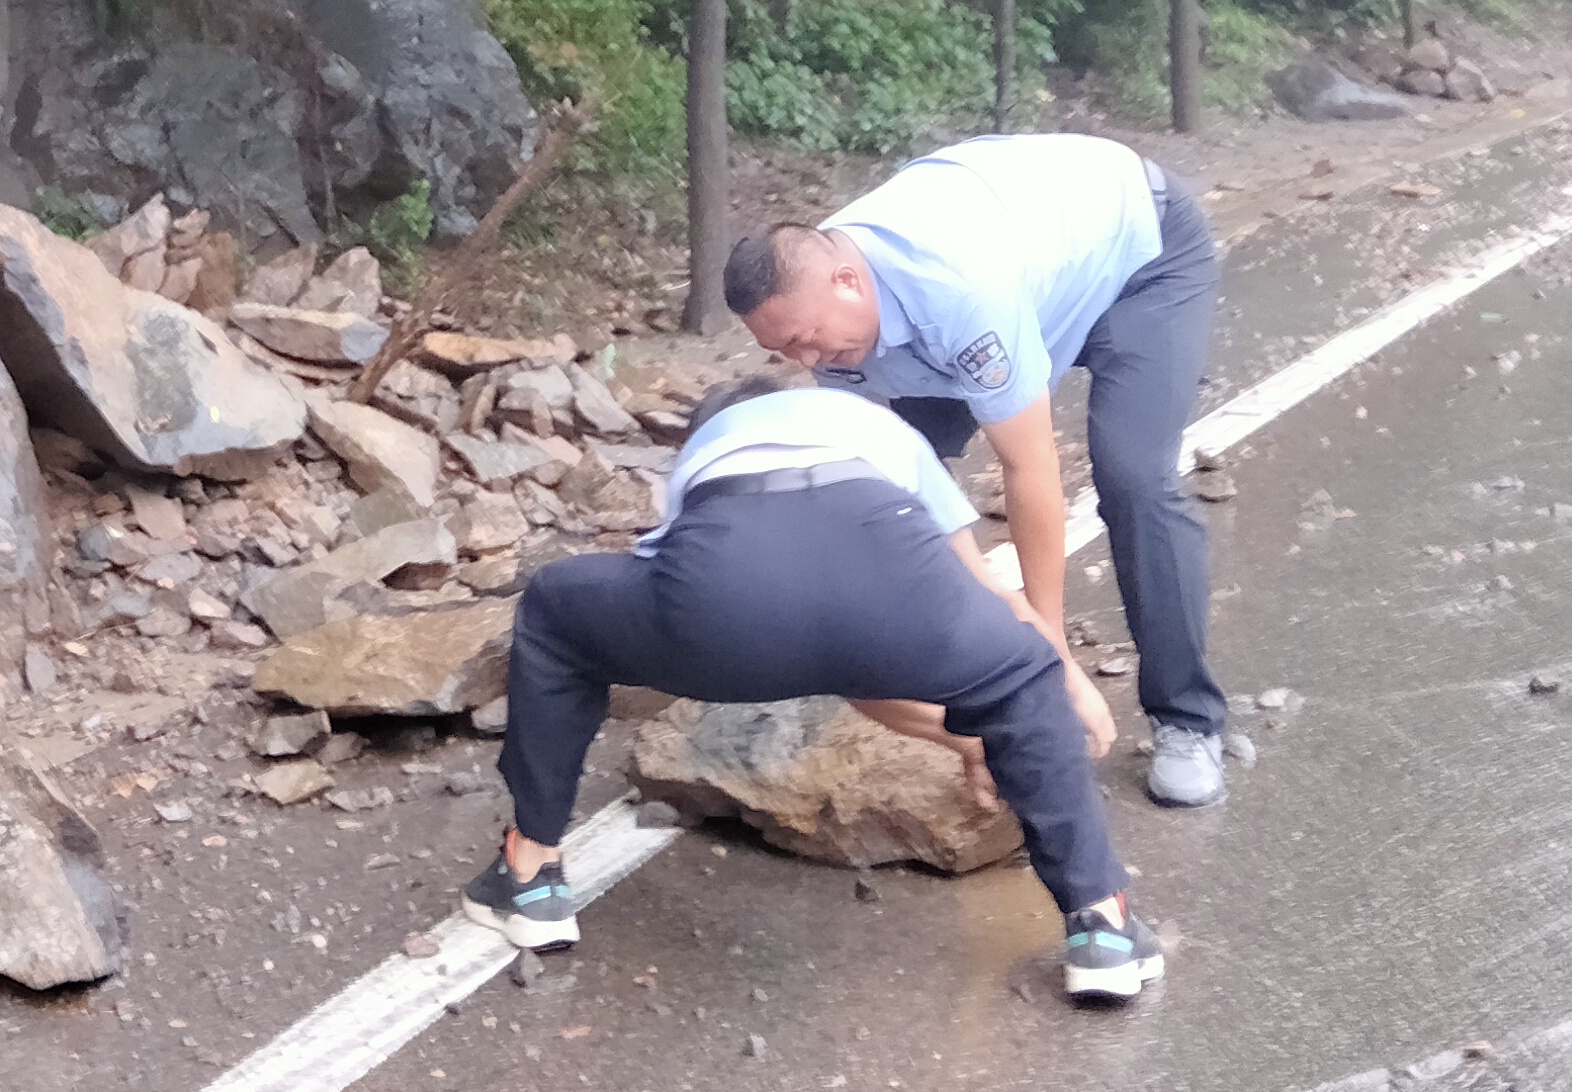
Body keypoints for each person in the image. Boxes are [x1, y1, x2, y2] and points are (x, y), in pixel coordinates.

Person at [457, 377, 1162, 1003]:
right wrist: (1037, 695)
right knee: (1021, 674)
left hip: (726, 614)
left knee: (554, 606)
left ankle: (532, 874)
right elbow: (966, 595)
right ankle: (1100, 923)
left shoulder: (710, 450)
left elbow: (686, 573)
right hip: (897, 590)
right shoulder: (882, 431)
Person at [720, 131, 1236, 810]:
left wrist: (1043, 656)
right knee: (880, 501)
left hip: (1139, 259)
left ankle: (1187, 720)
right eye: (783, 349)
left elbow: (1030, 470)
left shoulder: (954, 289)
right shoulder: (826, 317)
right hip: (1022, 277)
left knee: (1133, 477)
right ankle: (948, 672)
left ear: (849, 282)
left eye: (807, 338)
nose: (805, 358)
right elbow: (890, 484)